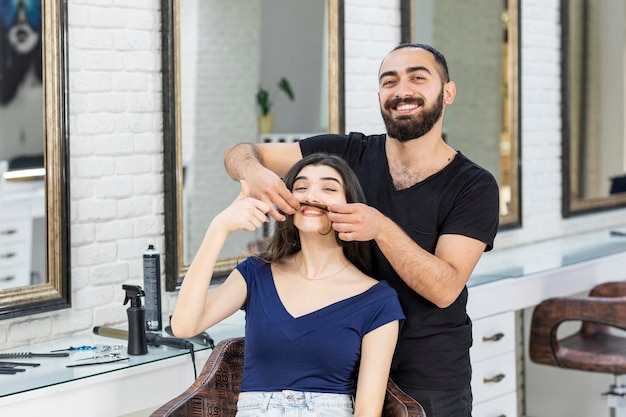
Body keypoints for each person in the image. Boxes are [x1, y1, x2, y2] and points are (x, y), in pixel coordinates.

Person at [223, 43, 500, 417]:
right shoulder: (346, 153)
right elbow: (241, 152)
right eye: (390, 82)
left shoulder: (473, 186)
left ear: (447, 92)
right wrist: (255, 173)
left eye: (418, 78)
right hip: (339, 366)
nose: (402, 91)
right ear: (380, 95)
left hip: (426, 377)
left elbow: (444, 288)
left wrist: (381, 228)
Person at [171, 152, 405, 417]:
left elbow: (367, 412)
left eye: (328, 188)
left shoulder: (377, 301)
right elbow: (184, 325)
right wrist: (218, 228)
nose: (311, 196)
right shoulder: (255, 274)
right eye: (301, 187)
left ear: (352, 206)